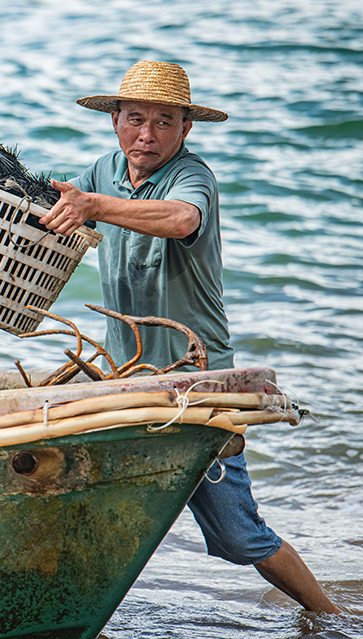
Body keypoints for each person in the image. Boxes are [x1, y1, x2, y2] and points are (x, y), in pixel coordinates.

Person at [38, 60, 339, 614]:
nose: (146, 135)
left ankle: (331, 617)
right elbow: (53, 215)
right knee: (86, 503)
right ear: (114, 121)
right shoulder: (101, 170)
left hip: (197, 381)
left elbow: (180, 220)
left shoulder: (192, 177)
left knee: (236, 535)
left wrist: (96, 207)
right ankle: (74, 613)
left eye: (163, 122)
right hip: (127, 378)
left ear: (186, 129)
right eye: (134, 119)